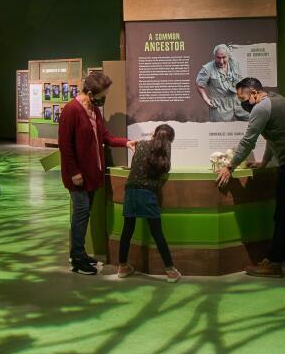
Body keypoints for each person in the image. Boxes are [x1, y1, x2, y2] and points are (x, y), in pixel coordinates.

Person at [216, 77, 285, 279]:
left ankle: (274, 264)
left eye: (243, 98)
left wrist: (229, 166)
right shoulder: (277, 99)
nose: (242, 103)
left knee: (283, 217)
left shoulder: (260, 108)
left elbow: (248, 140)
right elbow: (273, 136)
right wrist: (265, 162)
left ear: (254, 93)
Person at [59, 71, 136, 275]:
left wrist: (126, 143)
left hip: (91, 176)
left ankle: (80, 253)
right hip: (78, 178)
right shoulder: (71, 110)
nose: (105, 98)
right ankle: (76, 259)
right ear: (91, 93)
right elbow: (65, 146)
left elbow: (105, 136)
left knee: (84, 214)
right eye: (103, 95)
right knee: (81, 214)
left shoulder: (94, 110)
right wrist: (75, 172)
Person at [116, 124, 181, 283]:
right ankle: (170, 271)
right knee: (157, 233)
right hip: (148, 193)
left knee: (127, 230)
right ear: (170, 140)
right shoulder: (164, 151)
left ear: (154, 133)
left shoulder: (140, 145)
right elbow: (165, 171)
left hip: (131, 190)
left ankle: (122, 267)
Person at [196, 44, 247, 122]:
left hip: (238, 102)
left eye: (224, 57)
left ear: (228, 56)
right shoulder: (207, 68)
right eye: (218, 58)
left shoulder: (235, 64)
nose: (221, 61)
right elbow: (199, 85)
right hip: (220, 106)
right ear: (215, 56)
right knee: (220, 129)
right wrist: (206, 100)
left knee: (250, 121)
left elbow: (240, 79)